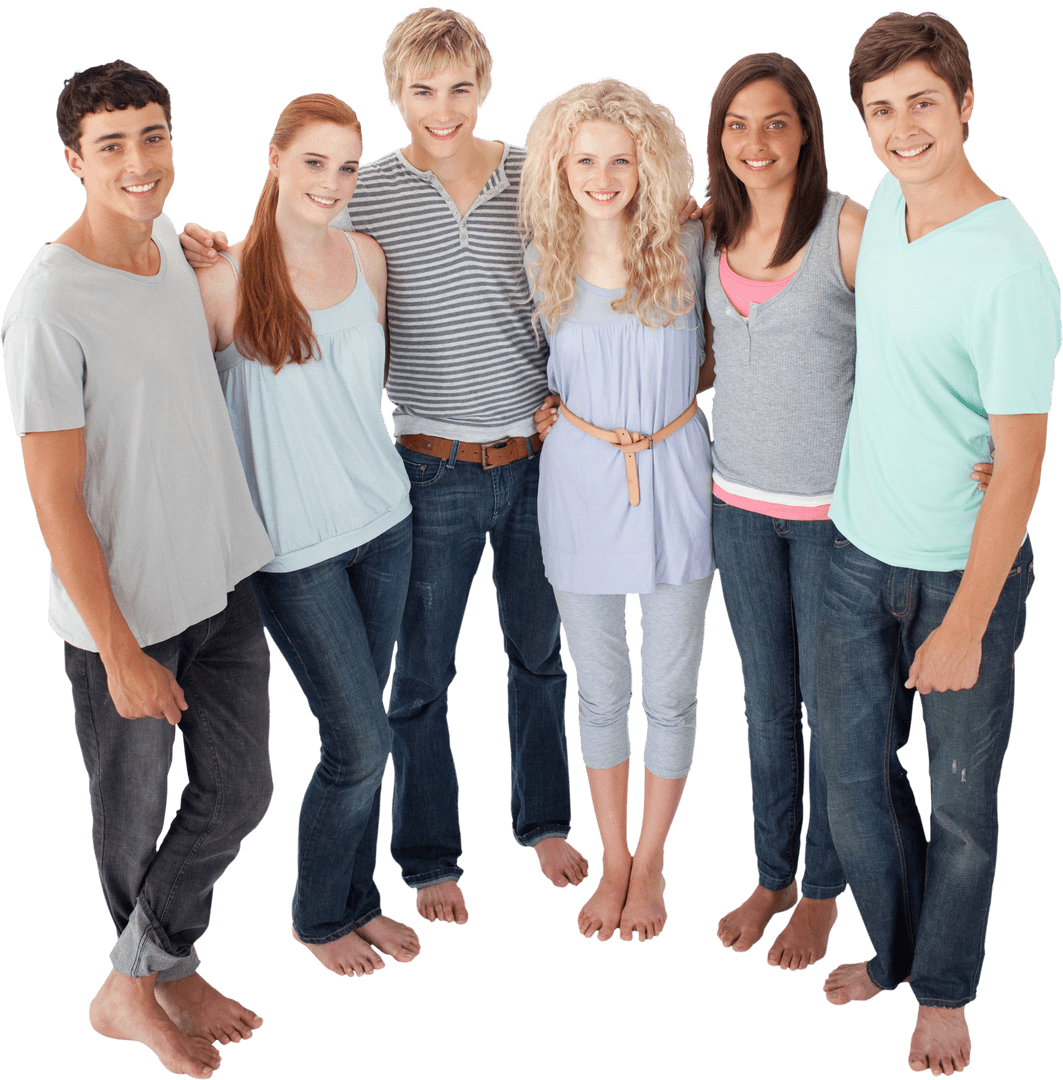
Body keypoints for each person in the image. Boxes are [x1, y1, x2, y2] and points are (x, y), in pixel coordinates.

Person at [180, 7, 588, 925]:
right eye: (420, 91)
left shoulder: (536, 175)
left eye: (459, 89)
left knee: (538, 655)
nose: (441, 109)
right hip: (425, 471)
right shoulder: (365, 195)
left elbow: (608, 240)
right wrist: (195, 246)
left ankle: (546, 821)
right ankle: (428, 856)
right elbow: (290, 232)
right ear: (394, 92)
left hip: (537, 460)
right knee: (416, 679)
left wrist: (684, 214)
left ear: (484, 87)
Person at [2, 61, 278, 1080]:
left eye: (151, 137)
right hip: (124, 614)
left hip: (219, 577)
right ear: (73, 161)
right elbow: (52, 497)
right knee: (131, 824)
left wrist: (199, 246)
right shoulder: (44, 307)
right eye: (111, 146)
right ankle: (143, 988)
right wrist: (118, 651)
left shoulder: (168, 240)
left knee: (242, 789)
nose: (137, 161)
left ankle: (146, 971)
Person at [816, 13, 1059, 1075]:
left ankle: (946, 990)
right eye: (881, 110)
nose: (903, 126)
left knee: (960, 803)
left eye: (924, 102)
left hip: (966, 577)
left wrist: (964, 623)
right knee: (856, 784)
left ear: (964, 104)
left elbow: (1021, 462)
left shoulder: (1008, 264)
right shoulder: (887, 217)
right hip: (855, 551)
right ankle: (897, 948)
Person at [193, 93, 420, 979]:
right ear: (276, 160)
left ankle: (357, 899)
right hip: (295, 553)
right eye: (314, 162)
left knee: (370, 734)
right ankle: (320, 916)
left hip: (386, 524)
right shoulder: (217, 282)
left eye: (348, 166)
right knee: (357, 741)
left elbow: (371, 393)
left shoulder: (368, 259)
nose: (331, 182)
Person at [521, 77, 713, 943]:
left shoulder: (692, 239)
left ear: (649, 163)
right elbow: (518, 362)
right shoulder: (539, 252)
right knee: (601, 693)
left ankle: (653, 859)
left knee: (670, 695)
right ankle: (610, 858)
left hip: (674, 476)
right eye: (586, 159)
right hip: (580, 483)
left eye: (621, 160)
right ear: (561, 167)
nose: (603, 176)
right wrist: (541, 411)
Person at [702, 53, 863, 970]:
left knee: (830, 712)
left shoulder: (849, 230)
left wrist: (980, 434)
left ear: (804, 127)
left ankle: (823, 892)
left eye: (774, 122)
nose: (754, 142)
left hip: (833, 519)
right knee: (767, 710)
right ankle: (771, 875)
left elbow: (918, 345)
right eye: (735, 125)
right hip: (737, 508)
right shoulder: (709, 232)